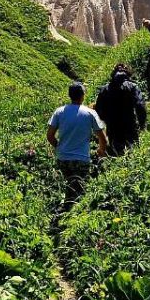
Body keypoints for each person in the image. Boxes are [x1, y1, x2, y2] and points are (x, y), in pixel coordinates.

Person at [47, 82, 107, 213]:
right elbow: (103, 138)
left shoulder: (59, 112)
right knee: (79, 190)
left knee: (70, 185)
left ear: (69, 95)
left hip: (62, 158)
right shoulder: (90, 113)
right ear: (83, 95)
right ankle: (69, 215)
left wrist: (59, 147)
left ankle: (64, 212)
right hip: (81, 159)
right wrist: (101, 150)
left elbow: (50, 136)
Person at [93, 64, 147, 156]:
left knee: (116, 152)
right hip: (130, 124)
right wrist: (142, 124)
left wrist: (106, 120)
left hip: (113, 127)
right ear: (128, 74)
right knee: (132, 152)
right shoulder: (132, 87)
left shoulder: (105, 89)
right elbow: (140, 105)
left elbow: (98, 109)